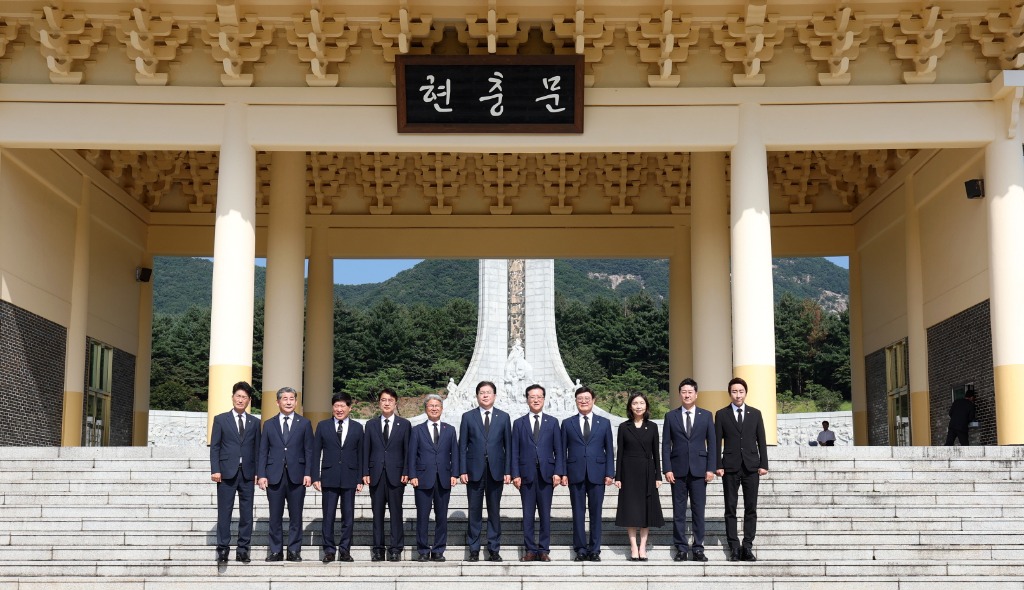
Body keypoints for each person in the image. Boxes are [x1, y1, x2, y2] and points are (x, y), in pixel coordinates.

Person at [257, 386, 314, 562]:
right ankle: (276, 551)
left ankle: (294, 551)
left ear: (296, 402)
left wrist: (308, 473)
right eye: (285, 399)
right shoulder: (269, 424)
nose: (289, 402)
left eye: (292, 399)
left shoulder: (304, 423)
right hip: (274, 476)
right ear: (278, 402)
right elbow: (263, 451)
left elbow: (309, 451)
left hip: (297, 476)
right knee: (275, 516)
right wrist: (261, 474)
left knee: (296, 516)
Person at [715, 377, 769, 562]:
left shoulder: (755, 413)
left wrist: (764, 464)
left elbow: (761, 440)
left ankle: (747, 546)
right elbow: (716, 442)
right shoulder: (721, 414)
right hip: (729, 467)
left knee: (750, 508)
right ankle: (734, 546)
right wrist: (718, 465)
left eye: (741, 391)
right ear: (729, 394)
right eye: (734, 392)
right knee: (730, 508)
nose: (738, 395)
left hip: (751, 466)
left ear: (746, 393)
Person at [662, 378, 715, 562]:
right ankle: (681, 548)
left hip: (700, 471)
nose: (687, 395)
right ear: (679, 394)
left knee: (698, 511)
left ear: (696, 394)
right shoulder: (671, 416)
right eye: (683, 392)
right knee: (678, 511)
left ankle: (698, 548)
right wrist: (667, 468)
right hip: (677, 470)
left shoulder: (706, 416)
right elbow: (666, 444)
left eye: (690, 392)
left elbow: (713, 444)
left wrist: (711, 468)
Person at [459, 380, 512, 562]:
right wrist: (462, 469)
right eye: (482, 392)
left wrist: (508, 470)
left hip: (496, 471)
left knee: (494, 511)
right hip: (474, 471)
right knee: (474, 511)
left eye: (488, 392)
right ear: (477, 396)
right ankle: (473, 549)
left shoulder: (504, 417)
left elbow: (508, 447)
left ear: (495, 396)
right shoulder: (468, 417)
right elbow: (462, 446)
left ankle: (494, 548)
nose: (485, 395)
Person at [511, 384, 564, 562]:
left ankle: (543, 550)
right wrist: (515, 474)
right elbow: (514, 451)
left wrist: (558, 472)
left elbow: (559, 450)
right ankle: (530, 550)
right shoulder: (519, 423)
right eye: (532, 397)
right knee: (527, 514)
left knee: (545, 514)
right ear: (527, 399)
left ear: (544, 399)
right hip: (525, 475)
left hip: (547, 475)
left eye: (539, 397)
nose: (536, 400)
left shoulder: (553, 422)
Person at [209, 381, 261, 564]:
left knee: (246, 514)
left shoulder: (255, 422)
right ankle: (223, 549)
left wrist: (258, 472)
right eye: (238, 396)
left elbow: (258, 449)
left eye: (244, 397)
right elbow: (215, 446)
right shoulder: (220, 419)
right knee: (225, 512)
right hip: (226, 473)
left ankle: (243, 550)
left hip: (247, 474)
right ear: (232, 397)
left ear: (249, 400)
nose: (240, 400)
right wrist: (215, 469)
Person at [561, 386, 614, 562]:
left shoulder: (604, 423)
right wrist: (562, 472)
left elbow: (609, 450)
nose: (583, 401)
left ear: (593, 400)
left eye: (587, 398)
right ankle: (580, 549)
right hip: (574, 473)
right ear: (576, 401)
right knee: (578, 513)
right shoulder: (567, 423)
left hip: (597, 473)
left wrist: (610, 472)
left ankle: (595, 549)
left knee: (596, 513)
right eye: (580, 399)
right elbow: (562, 451)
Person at [312, 392, 365, 563]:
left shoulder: (357, 428)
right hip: (329, 476)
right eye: (336, 406)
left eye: (343, 406)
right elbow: (315, 453)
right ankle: (328, 550)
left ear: (350, 408)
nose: (339, 409)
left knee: (348, 516)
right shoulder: (322, 426)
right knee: (328, 516)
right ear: (332, 407)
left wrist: (360, 479)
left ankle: (345, 550)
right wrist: (315, 476)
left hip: (350, 477)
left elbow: (361, 454)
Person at [407, 393, 459, 562]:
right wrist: (412, 475)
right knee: (422, 516)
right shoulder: (417, 430)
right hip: (422, 479)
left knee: (441, 516)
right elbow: (412, 454)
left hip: (444, 478)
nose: (434, 408)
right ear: (426, 409)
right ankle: (422, 550)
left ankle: (438, 550)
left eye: (437, 406)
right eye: (431, 406)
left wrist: (454, 474)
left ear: (442, 409)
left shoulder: (449, 430)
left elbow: (455, 454)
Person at [614, 391, 664, 562]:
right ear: (630, 406)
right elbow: (620, 453)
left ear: (646, 406)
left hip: (647, 471)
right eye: (635, 403)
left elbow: (656, 453)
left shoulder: (652, 427)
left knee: (645, 510)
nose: (638, 406)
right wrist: (617, 476)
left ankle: (643, 546)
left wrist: (658, 475)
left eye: (641, 403)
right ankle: (633, 546)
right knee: (631, 509)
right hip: (628, 472)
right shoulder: (623, 427)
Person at [362, 387, 411, 562]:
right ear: (379, 403)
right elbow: (366, 450)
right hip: (376, 474)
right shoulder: (371, 424)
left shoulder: (404, 424)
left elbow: (408, 451)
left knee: (396, 513)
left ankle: (396, 549)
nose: (387, 403)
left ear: (395, 403)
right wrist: (365, 471)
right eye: (383, 400)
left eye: (390, 400)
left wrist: (407, 471)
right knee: (377, 514)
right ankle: (378, 549)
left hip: (397, 475)